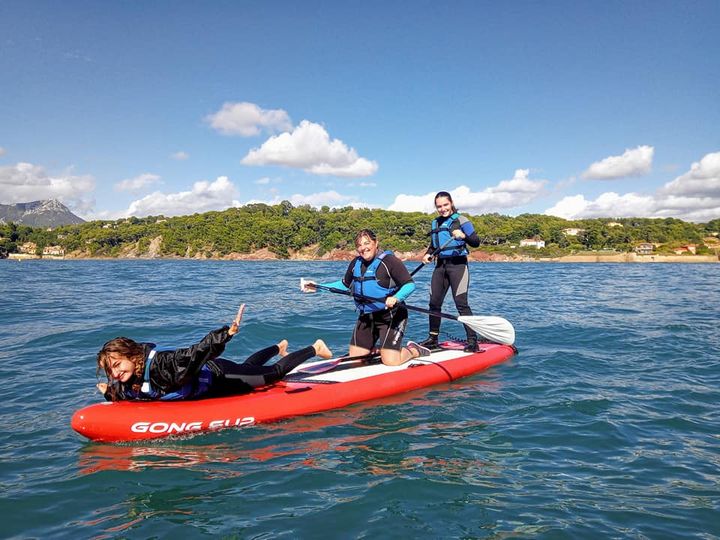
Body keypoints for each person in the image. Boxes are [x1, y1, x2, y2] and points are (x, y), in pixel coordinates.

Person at [96, 304, 332, 402]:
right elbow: (125, 391)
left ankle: (315, 347)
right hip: (215, 379)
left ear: (131, 356)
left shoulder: (163, 365)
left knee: (273, 373)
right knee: (249, 367)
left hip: (219, 376)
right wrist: (109, 392)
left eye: (117, 366)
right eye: (110, 371)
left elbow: (196, 352)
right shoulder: (130, 378)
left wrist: (226, 334)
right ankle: (278, 347)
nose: (115, 374)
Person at [301, 229, 430, 366]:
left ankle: (413, 350)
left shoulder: (390, 261)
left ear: (376, 243)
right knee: (355, 360)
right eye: (359, 245)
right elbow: (345, 285)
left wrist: (396, 298)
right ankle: (377, 350)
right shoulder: (355, 263)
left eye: (367, 243)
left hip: (391, 316)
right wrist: (318, 287)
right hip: (367, 316)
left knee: (391, 362)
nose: (363, 248)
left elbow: (409, 285)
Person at [420, 191, 481, 352]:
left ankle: (473, 341)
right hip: (440, 266)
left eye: (445, 205)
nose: (442, 209)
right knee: (434, 303)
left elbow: (475, 242)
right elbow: (435, 245)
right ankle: (433, 339)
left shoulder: (462, 220)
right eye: (439, 206)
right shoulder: (435, 223)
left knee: (461, 304)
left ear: (451, 203)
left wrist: (463, 236)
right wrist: (428, 254)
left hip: (458, 265)